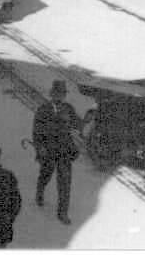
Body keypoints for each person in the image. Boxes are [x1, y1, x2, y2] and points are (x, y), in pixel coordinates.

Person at [32, 80, 81, 225]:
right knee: (45, 176)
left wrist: (84, 122)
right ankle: (39, 193)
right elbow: (36, 131)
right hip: (48, 151)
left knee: (65, 183)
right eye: (57, 94)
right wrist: (39, 147)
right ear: (52, 94)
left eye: (62, 94)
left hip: (65, 151)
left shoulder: (68, 108)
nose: (59, 97)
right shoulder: (43, 109)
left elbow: (77, 124)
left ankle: (63, 214)